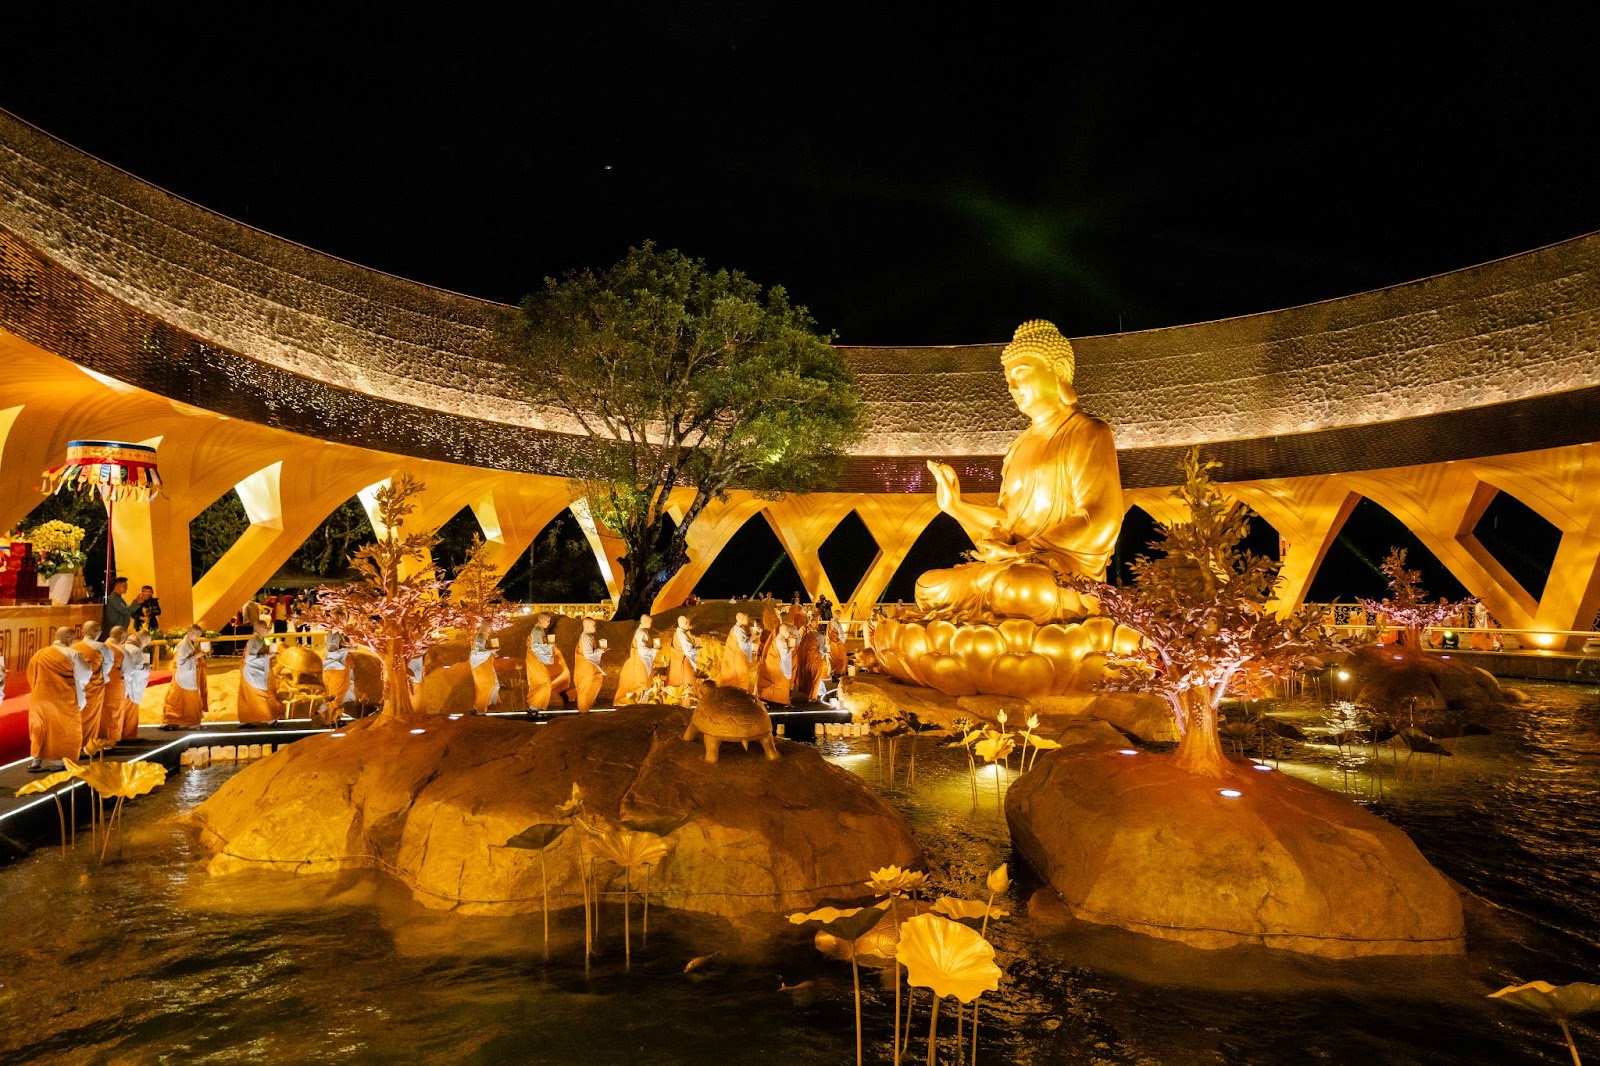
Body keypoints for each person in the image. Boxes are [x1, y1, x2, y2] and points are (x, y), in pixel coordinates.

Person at [915, 319, 1123, 625]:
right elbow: (1007, 521)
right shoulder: (1017, 447)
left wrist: (1023, 551)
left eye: (1021, 374)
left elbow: (1099, 520)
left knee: (1020, 590)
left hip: (1063, 575)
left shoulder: (1089, 431)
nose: (1013, 387)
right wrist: (956, 507)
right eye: (1008, 378)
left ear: (1060, 370)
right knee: (928, 586)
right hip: (1013, 568)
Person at [26, 628, 82, 771]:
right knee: (63, 728)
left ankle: (36, 760)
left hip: (40, 697)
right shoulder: (73, 654)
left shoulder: (39, 654)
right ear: (69, 638)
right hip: (62, 698)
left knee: (40, 728)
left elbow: (30, 675)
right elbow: (85, 675)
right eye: (74, 638)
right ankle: (59, 762)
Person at [237, 620, 282, 727]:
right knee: (260, 695)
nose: (267, 629)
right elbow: (250, 658)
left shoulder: (259, 639)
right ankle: (268, 719)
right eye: (265, 627)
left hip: (255, 672)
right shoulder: (255, 640)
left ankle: (248, 720)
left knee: (250, 697)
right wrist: (267, 656)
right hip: (253, 673)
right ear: (259, 628)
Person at [161, 626, 208, 729]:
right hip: (184, 677)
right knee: (189, 700)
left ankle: (174, 721)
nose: (197, 637)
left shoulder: (188, 644)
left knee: (176, 699)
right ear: (190, 632)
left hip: (186, 676)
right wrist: (195, 657)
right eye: (196, 634)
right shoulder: (184, 645)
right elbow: (181, 663)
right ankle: (191, 722)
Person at [525, 613, 572, 712]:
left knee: (543, 683)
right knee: (543, 683)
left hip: (537, 661)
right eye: (548, 620)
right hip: (535, 661)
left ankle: (535, 708)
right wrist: (549, 646)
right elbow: (535, 646)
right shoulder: (537, 631)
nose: (549, 623)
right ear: (541, 620)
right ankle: (533, 708)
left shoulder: (540, 631)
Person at [72, 622, 108, 744]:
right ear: (97, 632)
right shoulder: (101, 647)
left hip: (76, 685)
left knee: (76, 714)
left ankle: (75, 740)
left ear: (82, 631)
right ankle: (89, 742)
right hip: (94, 686)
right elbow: (107, 667)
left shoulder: (73, 647)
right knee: (91, 714)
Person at [615, 614, 657, 705]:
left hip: (643, 661)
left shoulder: (643, 632)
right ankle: (637, 704)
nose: (651, 624)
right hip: (641, 661)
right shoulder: (641, 633)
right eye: (650, 622)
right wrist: (654, 650)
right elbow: (642, 649)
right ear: (645, 622)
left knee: (645, 683)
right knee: (641, 683)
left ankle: (641, 704)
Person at [118, 630, 151, 740]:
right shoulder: (136, 651)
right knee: (130, 711)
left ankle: (118, 734)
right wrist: (147, 669)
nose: (145, 645)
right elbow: (136, 670)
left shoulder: (121, 646)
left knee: (120, 711)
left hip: (121, 685)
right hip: (131, 685)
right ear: (142, 640)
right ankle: (129, 736)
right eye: (146, 643)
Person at [100, 625, 128, 744]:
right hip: (115, 683)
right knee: (113, 710)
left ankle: (97, 737)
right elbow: (129, 670)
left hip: (98, 683)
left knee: (100, 710)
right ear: (122, 636)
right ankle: (110, 740)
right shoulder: (120, 650)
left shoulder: (100, 647)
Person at [319, 631, 354, 726]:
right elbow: (333, 647)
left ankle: (332, 717)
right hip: (336, 669)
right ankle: (332, 718)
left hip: (336, 668)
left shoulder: (336, 632)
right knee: (336, 695)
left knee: (337, 694)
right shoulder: (334, 633)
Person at [759, 623, 798, 705]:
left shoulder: (778, 638)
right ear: (785, 632)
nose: (789, 634)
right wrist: (791, 649)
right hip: (777, 665)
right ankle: (778, 700)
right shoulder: (781, 640)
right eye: (788, 632)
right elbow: (784, 654)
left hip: (774, 663)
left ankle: (773, 699)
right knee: (780, 683)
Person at [718, 612, 757, 692]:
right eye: (747, 618)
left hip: (734, 657)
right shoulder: (738, 629)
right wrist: (752, 641)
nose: (748, 619)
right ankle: (741, 696)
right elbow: (743, 645)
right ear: (742, 619)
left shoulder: (737, 627)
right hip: (736, 658)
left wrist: (749, 636)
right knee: (742, 677)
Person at [574, 617, 605, 712]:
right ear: (587, 626)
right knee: (585, 689)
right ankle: (583, 711)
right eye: (593, 625)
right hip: (586, 668)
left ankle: (585, 709)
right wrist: (600, 650)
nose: (595, 627)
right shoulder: (586, 637)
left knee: (592, 685)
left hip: (589, 667)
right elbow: (588, 654)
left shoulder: (588, 636)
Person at [469, 626, 500, 714]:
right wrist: (491, 651)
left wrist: (492, 651)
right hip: (480, 664)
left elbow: (483, 650)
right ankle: (480, 710)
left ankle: (481, 707)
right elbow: (478, 653)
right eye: (490, 627)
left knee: (491, 685)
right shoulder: (480, 637)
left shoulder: (483, 636)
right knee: (486, 686)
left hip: (484, 664)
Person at [668, 615, 698, 691]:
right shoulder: (682, 635)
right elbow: (689, 651)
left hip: (677, 662)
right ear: (686, 623)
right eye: (689, 623)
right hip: (684, 663)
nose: (690, 625)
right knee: (686, 685)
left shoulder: (678, 633)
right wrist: (697, 649)